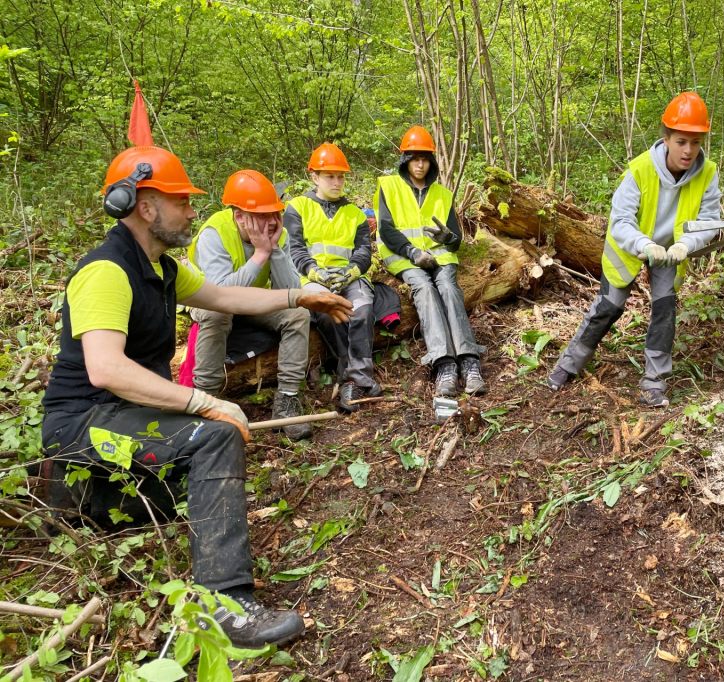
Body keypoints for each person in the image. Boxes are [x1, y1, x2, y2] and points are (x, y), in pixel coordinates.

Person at [40, 145, 352, 648]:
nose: (190, 210)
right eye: (181, 201)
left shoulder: (161, 268)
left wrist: (300, 295)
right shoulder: (106, 271)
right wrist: (203, 402)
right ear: (146, 207)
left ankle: (81, 499)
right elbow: (106, 368)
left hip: (125, 416)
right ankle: (225, 605)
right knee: (214, 440)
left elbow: (224, 296)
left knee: (181, 501)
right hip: (81, 423)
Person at [546, 92, 722, 407]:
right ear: (666, 138)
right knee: (608, 308)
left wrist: (685, 244)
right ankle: (567, 365)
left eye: (695, 143)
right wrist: (645, 244)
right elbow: (621, 221)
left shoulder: (707, 172)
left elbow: (710, 221)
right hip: (630, 247)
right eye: (681, 141)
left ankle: (654, 384)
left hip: (671, 251)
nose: (689, 150)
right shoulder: (640, 170)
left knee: (664, 312)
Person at [187, 169, 312, 440]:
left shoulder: (277, 232)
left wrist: (274, 249)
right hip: (209, 299)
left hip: (254, 300)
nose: (269, 221)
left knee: (298, 313)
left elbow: (290, 291)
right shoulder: (215, 233)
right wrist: (260, 254)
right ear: (239, 216)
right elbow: (220, 294)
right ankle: (206, 402)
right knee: (217, 312)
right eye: (261, 215)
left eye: (273, 213)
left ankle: (288, 399)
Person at [374, 125, 486, 396]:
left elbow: (456, 239)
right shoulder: (388, 187)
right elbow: (386, 229)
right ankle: (444, 362)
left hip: (439, 257)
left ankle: (469, 361)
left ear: (432, 161)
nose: (420, 164)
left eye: (425, 158)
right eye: (415, 158)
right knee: (424, 289)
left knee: (447, 287)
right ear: (405, 160)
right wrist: (412, 252)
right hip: (405, 257)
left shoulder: (442, 194)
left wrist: (448, 237)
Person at [286, 142, 379, 412]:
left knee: (361, 310)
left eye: (340, 176)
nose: (337, 182)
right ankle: (356, 378)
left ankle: (352, 378)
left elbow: (363, 250)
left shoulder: (355, 213)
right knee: (330, 313)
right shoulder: (297, 208)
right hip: (312, 279)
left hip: (348, 277)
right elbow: (294, 248)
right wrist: (315, 272)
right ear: (314, 176)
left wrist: (351, 271)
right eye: (330, 176)